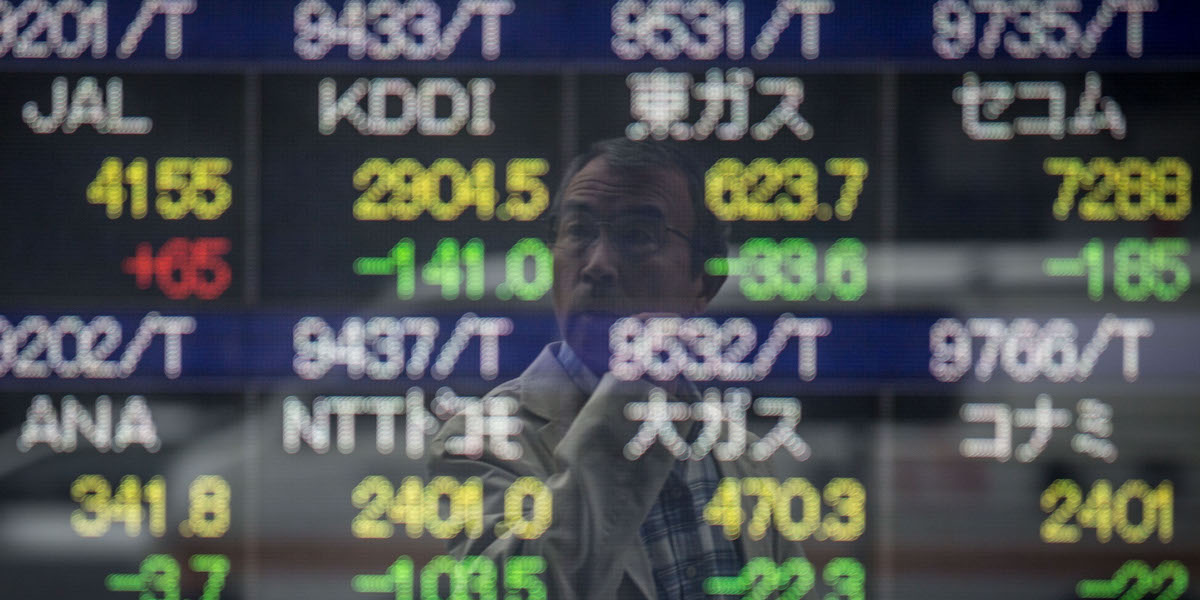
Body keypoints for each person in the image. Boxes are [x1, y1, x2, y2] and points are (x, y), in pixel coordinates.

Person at [429, 138, 805, 599]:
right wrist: (631, 393)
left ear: (703, 282)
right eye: (578, 230)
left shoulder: (741, 452)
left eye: (636, 236)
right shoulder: (481, 438)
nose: (598, 264)